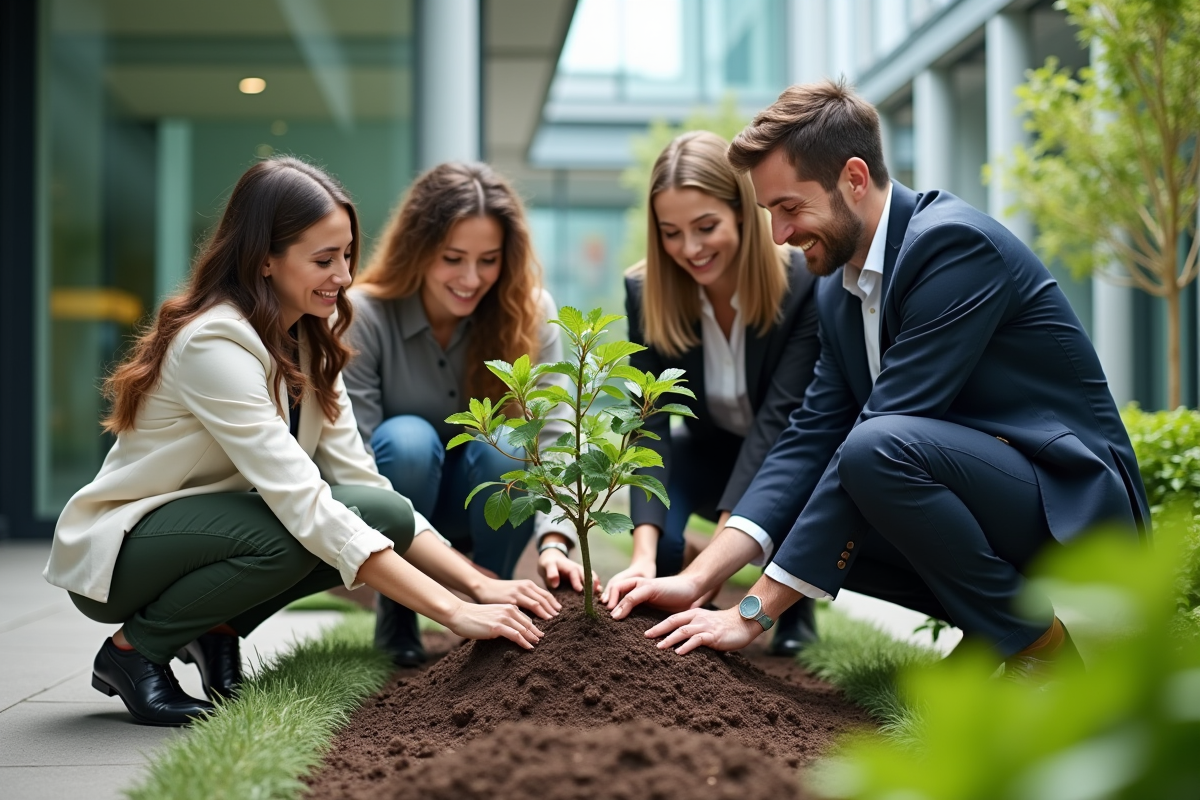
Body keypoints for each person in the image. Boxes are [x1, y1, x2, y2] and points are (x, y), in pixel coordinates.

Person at [608, 79, 1150, 677]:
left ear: (855, 179)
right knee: (814, 491)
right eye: (769, 213)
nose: (778, 235)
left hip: (1068, 508)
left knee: (874, 450)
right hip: (988, 491)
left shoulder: (952, 249)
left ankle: (1040, 652)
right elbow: (808, 439)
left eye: (790, 208)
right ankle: (1000, 629)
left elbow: (876, 436)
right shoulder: (836, 289)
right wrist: (695, 578)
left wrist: (751, 613)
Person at [44, 157, 557, 727]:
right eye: (323, 259)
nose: (343, 276)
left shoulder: (310, 341)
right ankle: (131, 653)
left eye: (346, 256)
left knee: (376, 511)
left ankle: (212, 628)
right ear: (265, 258)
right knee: (303, 531)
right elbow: (306, 505)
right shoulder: (215, 342)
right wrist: (453, 611)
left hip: (208, 535)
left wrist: (483, 583)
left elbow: (368, 489)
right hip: (125, 551)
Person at [345, 162, 592, 667]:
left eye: (489, 260)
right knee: (407, 440)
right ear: (418, 251)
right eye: (452, 258)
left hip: (482, 504)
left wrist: (555, 542)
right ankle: (398, 609)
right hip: (398, 506)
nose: (471, 278)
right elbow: (357, 463)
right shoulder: (363, 315)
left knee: (506, 441)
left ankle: (495, 599)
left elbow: (555, 438)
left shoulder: (529, 313)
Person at [585, 130, 821, 656]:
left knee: (789, 496)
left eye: (706, 227)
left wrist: (717, 555)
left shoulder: (802, 283)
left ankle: (794, 609)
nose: (689, 249)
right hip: (706, 449)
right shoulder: (646, 291)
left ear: (742, 210)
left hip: (777, 451)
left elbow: (779, 426)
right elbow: (648, 422)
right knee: (665, 547)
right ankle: (673, 570)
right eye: (671, 232)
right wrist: (643, 556)